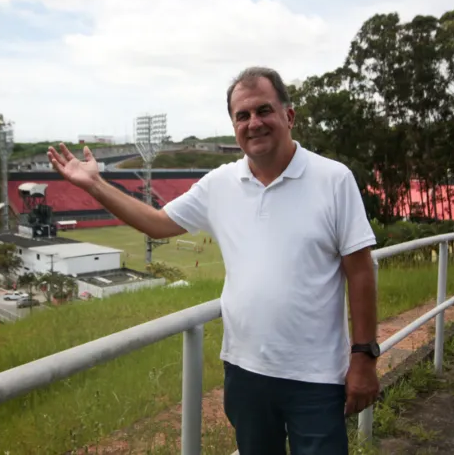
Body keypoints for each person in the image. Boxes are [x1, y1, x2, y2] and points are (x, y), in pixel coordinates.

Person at [48, 66, 380, 455]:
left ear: (289, 116)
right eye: (242, 116)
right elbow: (156, 223)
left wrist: (364, 357)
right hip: (245, 373)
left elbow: (360, 272)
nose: (254, 123)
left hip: (317, 376)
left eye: (264, 110)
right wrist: (95, 185)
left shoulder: (333, 179)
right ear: (234, 125)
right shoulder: (219, 184)